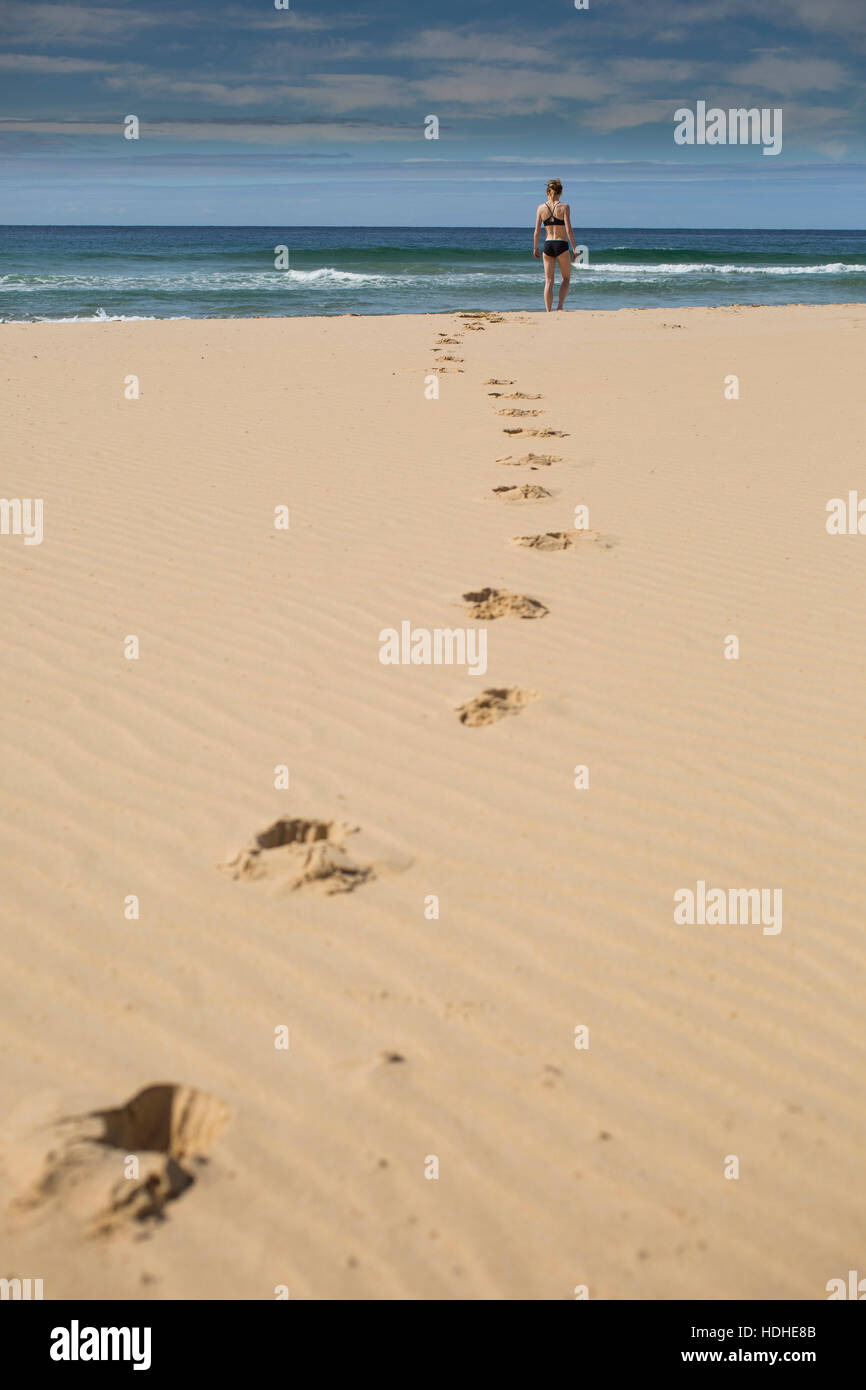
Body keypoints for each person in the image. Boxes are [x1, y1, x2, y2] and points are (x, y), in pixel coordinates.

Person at [532, 179, 576, 312]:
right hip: (561, 244)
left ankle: (548, 310)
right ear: (560, 192)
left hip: (548, 244)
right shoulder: (564, 207)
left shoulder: (540, 208)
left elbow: (537, 231)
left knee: (549, 281)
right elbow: (568, 230)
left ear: (547, 192)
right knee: (566, 278)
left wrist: (535, 247)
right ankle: (560, 306)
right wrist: (574, 248)